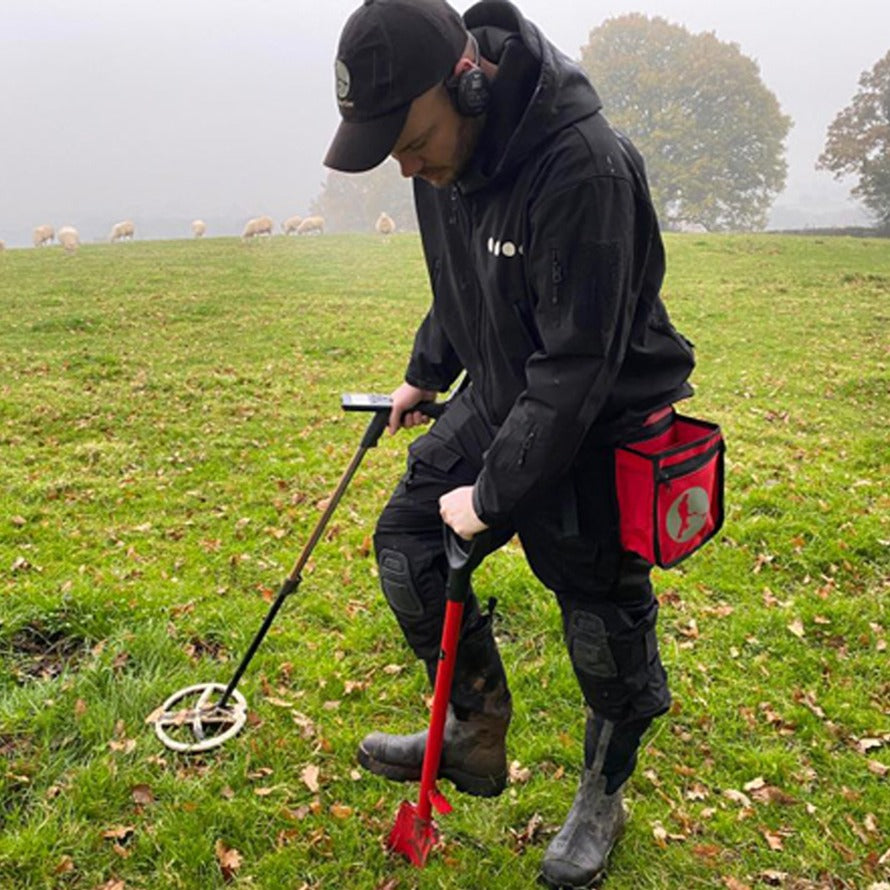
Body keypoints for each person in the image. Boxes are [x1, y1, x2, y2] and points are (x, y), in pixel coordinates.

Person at [324, 0, 696, 885]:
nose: (406, 164)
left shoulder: (583, 168)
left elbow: (575, 368)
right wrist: (425, 369)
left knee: (600, 616)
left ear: (469, 82)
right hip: (501, 391)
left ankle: (602, 794)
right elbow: (466, 280)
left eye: (409, 140)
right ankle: (472, 729)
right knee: (410, 542)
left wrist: (491, 499)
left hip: (599, 417)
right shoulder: (443, 156)